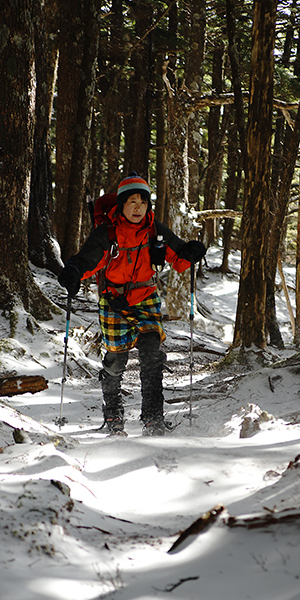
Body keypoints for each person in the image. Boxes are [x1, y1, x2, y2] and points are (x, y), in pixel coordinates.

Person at [58, 173, 206, 436]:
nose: (138, 207)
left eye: (143, 202)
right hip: (114, 301)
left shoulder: (155, 230)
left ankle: (152, 418)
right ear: (122, 205)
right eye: (132, 202)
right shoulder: (108, 234)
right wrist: (72, 272)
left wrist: (191, 252)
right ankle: (113, 413)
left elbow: (178, 255)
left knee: (151, 349)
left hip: (146, 295)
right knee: (116, 360)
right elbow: (86, 262)